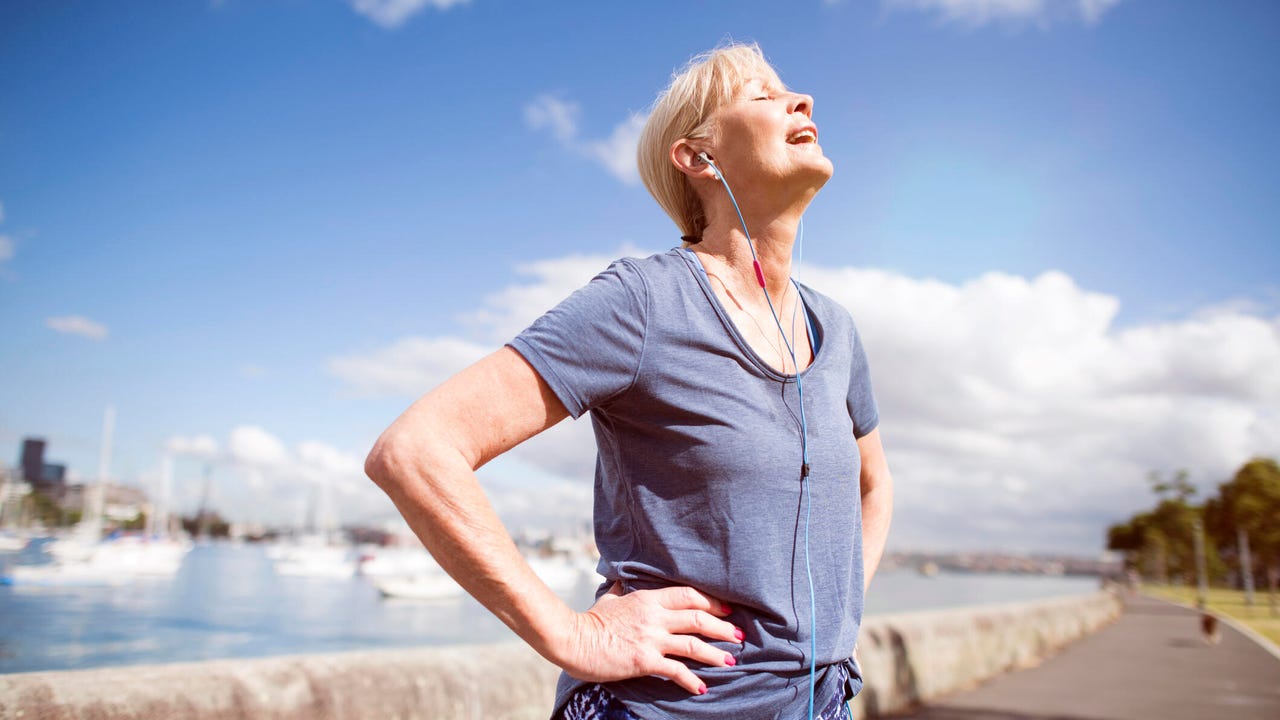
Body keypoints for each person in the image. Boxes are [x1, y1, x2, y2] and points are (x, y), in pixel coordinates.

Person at [365, 42, 894, 720]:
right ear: (699, 158)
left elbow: (873, 486)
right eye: (761, 95)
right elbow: (415, 451)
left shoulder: (836, 329)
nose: (802, 100)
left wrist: (837, 620)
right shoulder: (643, 302)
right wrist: (572, 634)